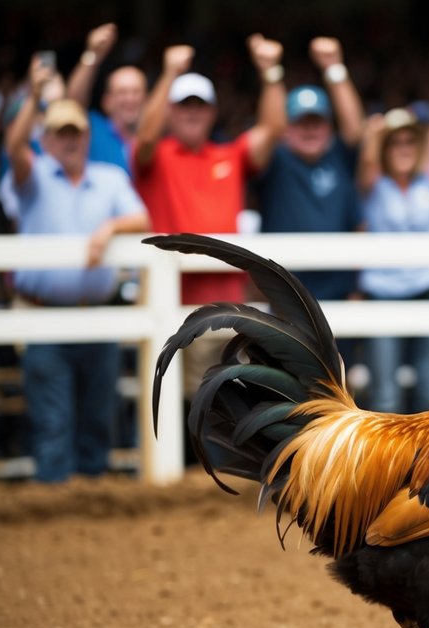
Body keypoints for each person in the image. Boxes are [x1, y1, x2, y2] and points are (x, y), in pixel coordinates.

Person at [2, 54, 149, 483]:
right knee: (54, 421)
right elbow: (13, 148)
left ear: (87, 136)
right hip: (44, 314)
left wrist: (109, 227)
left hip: (96, 313)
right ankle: (56, 505)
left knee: (95, 419)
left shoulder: (108, 178)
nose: (69, 139)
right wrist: (31, 95)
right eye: (60, 132)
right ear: (44, 139)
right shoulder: (32, 178)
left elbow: (141, 219)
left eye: (76, 132)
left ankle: (91, 507)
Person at [133, 36, 286, 395]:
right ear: (169, 111)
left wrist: (271, 72)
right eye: (183, 105)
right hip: (175, 306)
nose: (192, 112)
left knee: (233, 412)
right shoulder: (158, 157)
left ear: (213, 112)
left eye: (200, 106)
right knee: (185, 410)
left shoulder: (227, 156)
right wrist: (170, 72)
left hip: (231, 309)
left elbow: (273, 130)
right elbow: (145, 135)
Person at [355, 48, 429, 414]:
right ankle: (388, 471)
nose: (403, 147)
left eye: (409, 141)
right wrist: (375, 134)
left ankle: (428, 470)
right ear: (385, 148)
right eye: (395, 142)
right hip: (383, 291)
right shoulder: (373, 183)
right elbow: (367, 154)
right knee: (385, 392)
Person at [254, 36, 364, 309]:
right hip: (284, 293)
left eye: (317, 121)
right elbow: (269, 128)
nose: (310, 129)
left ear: (328, 126)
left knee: (339, 354)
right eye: (301, 122)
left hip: (338, 290)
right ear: (287, 128)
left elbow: (355, 129)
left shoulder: (339, 156)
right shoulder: (276, 160)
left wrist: (334, 67)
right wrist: (271, 73)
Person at [65, 23, 147, 176]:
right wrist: (92, 54)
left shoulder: (154, 137)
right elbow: (72, 105)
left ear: (147, 99)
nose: (130, 99)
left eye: (136, 92)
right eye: (122, 92)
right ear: (106, 101)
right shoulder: (94, 130)